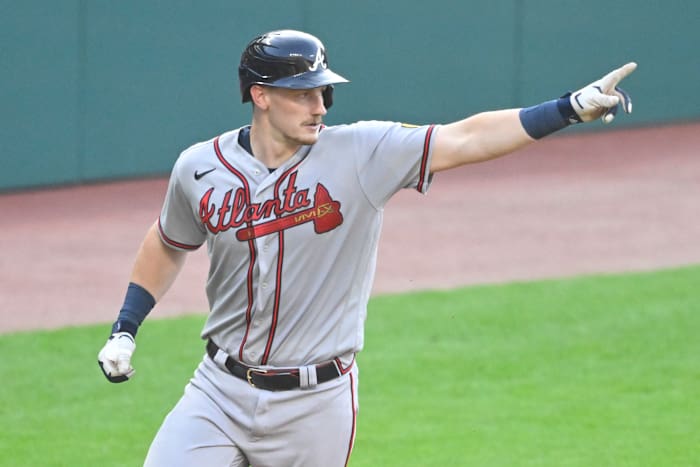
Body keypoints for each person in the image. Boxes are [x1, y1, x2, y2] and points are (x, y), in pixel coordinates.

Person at [98, 29, 637, 466]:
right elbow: (169, 241)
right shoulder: (199, 167)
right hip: (217, 390)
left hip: (316, 403)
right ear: (259, 96)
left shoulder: (362, 152)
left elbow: (465, 138)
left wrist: (568, 108)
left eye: (323, 91)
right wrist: (126, 326)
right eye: (302, 92)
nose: (318, 105)